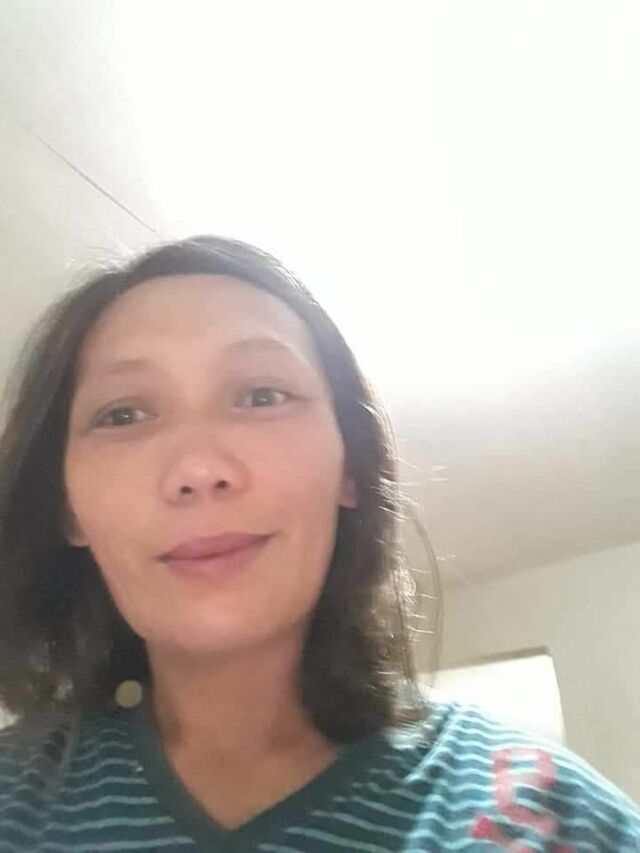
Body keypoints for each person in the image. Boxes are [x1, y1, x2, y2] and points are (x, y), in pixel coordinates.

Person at [0, 235, 637, 853]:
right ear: (68, 506)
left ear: (349, 468)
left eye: (261, 396)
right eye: (123, 414)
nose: (198, 468)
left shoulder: (558, 819)